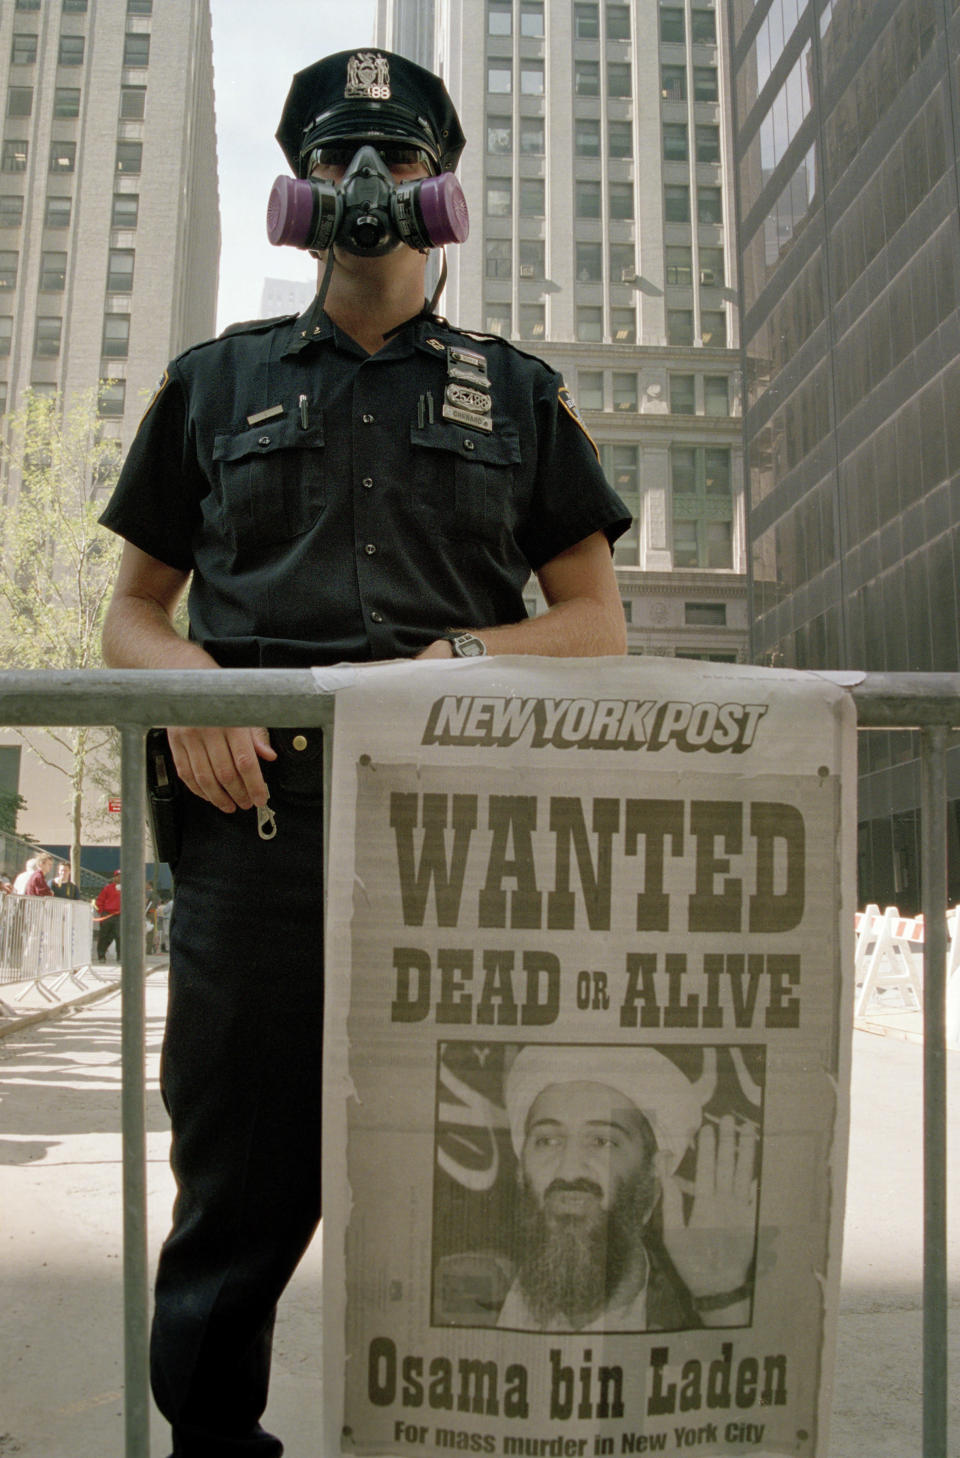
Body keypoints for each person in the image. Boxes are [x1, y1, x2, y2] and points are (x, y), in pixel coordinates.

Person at [98, 48, 630, 1458]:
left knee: (474, 1185)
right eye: (336, 156)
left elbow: (594, 624)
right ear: (297, 191)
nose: (366, 184)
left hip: (462, 849)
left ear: (443, 190)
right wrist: (194, 690)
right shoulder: (213, 385)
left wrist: (454, 661)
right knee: (234, 1191)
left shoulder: (516, 395)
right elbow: (131, 612)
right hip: (255, 841)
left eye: (396, 157)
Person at [497, 1046, 758, 1332]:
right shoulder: (466, 1295)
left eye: (602, 1142)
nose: (569, 1170)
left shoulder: (694, 1314)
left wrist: (719, 1299)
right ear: (521, 1170)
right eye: (547, 1141)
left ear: (654, 1174)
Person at [94, 870, 122, 961]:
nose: (119, 878)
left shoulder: (127, 889)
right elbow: (99, 901)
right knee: (104, 935)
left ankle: (120, 957)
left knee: (119, 936)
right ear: (114, 877)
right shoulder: (108, 888)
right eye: (118, 876)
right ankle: (101, 955)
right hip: (108, 915)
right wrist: (102, 912)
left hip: (120, 916)